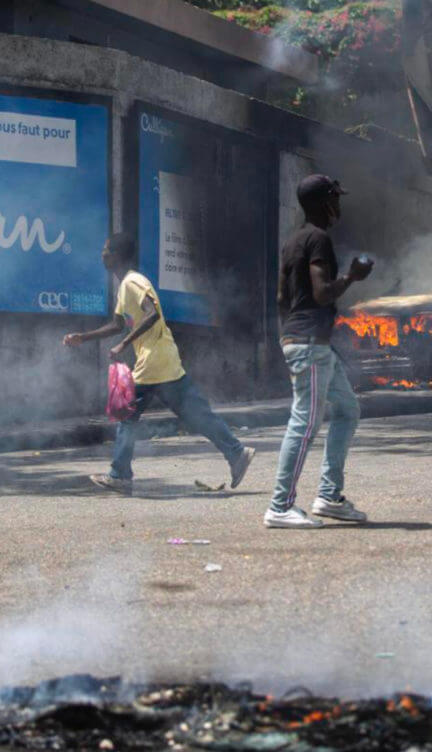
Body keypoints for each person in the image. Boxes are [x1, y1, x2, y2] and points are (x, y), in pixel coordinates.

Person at [63, 232, 254, 494]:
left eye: (106, 250)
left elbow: (152, 314)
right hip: (164, 358)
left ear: (117, 255)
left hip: (153, 360)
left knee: (127, 415)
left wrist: (124, 344)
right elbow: (117, 324)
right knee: (194, 413)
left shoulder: (134, 282)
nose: (102, 254)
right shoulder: (124, 287)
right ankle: (237, 453)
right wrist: (82, 337)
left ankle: (120, 474)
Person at [264, 174, 373, 529]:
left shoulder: (293, 240)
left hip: (307, 342)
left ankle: (328, 496)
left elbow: (282, 299)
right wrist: (353, 276)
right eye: (336, 199)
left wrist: (289, 336)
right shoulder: (319, 239)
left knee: (347, 409)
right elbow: (323, 292)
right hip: (310, 345)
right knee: (305, 422)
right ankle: (280, 505)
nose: (339, 206)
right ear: (326, 203)